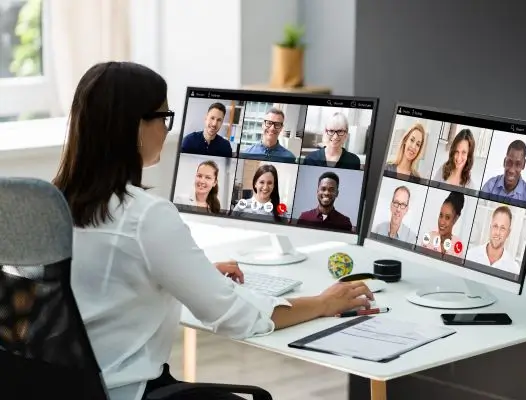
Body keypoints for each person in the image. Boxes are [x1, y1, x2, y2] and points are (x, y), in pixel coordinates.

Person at [53, 61, 374, 400]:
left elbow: (106, 276)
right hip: (126, 391)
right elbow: (235, 317)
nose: (166, 130)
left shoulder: (51, 202)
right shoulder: (147, 216)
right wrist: (323, 302)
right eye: (163, 118)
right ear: (135, 127)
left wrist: (193, 272)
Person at [466, 206, 520, 274]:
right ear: (490, 227)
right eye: (495, 226)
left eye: (502, 228)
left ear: (508, 233)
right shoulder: (470, 256)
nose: (497, 232)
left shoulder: (513, 269)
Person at [422, 191, 465, 256]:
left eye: (447, 217)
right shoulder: (428, 238)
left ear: (456, 219)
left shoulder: (458, 245)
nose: (442, 222)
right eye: (441, 215)